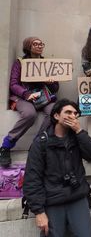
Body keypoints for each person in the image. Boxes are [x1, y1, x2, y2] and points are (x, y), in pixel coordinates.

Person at [23, 99, 91, 237]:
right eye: (68, 112)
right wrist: (39, 212)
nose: (72, 115)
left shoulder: (78, 136)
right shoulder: (41, 143)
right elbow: (32, 179)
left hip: (77, 197)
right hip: (53, 200)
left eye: (75, 113)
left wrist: (79, 131)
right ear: (56, 116)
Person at [0, 37, 59, 167]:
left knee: (55, 112)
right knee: (29, 114)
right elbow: (13, 84)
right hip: (24, 97)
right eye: (35, 44)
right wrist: (26, 94)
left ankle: (37, 145)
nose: (39, 46)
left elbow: (55, 88)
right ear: (28, 47)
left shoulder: (47, 63)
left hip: (43, 98)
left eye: (41, 44)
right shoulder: (20, 63)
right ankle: (7, 145)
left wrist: (50, 82)